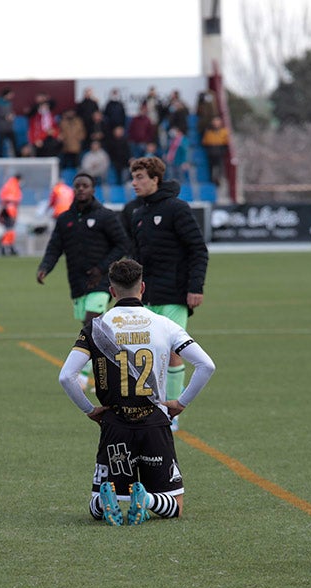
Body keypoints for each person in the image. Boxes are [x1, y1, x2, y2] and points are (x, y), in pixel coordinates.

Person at [58, 258, 216, 526]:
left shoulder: (96, 327)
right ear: (142, 287)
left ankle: (104, 499)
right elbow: (206, 365)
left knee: (97, 507)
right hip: (154, 421)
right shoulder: (164, 324)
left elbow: (66, 376)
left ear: (111, 291)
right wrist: (181, 403)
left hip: (114, 424)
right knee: (174, 506)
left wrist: (90, 410)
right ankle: (147, 500)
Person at [128, 156, 209, 431]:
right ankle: (151, 404)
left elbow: (198, 249)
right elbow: (136, 258)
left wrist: (195, 287)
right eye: (133, 177)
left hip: (175, 295)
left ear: (155, 179)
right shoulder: (138, 214)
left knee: (173, 350)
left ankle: (170, 411)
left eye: (140, 177)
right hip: (146, 297)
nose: (134, 183)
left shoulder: (177, 209)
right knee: (149, 353)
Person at [37, 172, 130, 388]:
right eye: (77, 185)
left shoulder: (105, 216)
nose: (81, 189)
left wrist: (102, 268)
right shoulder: (65, 219)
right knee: (92, 329)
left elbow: (122, 244)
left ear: (93, 189)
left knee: (91, 322)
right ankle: (108, 369)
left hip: (100, 281)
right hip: (77, 283)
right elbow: (55, 247)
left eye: (85, 185)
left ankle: (84, 375)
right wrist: (45, 267)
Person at [0, 172, 23, 256]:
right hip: (10, 211)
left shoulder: (8, 184)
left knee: (9, 229)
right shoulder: (14, 186)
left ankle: (10, 247)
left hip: (6, 210)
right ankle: (5, 247)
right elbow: (14, 200)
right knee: (10, 230)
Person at [201, 116, 230, 186]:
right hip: (211, 150)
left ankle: (218, 179)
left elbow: (226, 142)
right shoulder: (208, 131)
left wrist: (223, 149)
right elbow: (205, 141)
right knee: (211, 166)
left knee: (219, 166)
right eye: (214, 121)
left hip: (219, 150)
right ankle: (211, 179)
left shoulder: (224, 131)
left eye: (217, 121)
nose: (216, 123)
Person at [0, 88, 18, 158]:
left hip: (9, 127)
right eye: (10, 94)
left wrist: (12, 115)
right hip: (1, 127)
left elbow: (10, 111)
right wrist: (5, 117)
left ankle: (17, 156)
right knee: (0, 144)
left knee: (14, 142)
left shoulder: (9, 103)